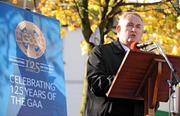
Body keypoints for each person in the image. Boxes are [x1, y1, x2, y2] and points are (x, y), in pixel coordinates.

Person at [84, 12, 145, 116]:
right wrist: (125, 80)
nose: (134, 30)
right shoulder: (100, 52)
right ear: (118, 29)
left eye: (138, 27)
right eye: (130, 25)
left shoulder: (145, 59)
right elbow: (95, 83)